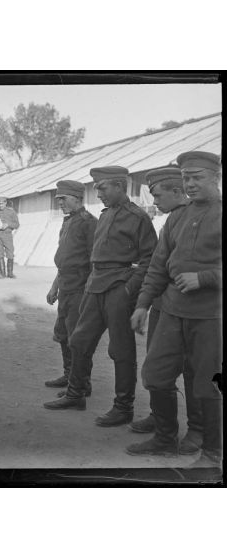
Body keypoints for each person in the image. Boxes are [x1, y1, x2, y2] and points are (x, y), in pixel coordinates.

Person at [127, 152, 222, 467]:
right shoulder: (176, 218)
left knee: (208, 385)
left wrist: (205, 277)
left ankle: (211, 454)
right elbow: (157, 265)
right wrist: (142, 304)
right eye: (186, 178)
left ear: (215, 177)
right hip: (172, 311)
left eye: (197, 177)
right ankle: (165, 439)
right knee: (155, 374)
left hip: (212, 317)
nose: (191, 184)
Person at [44, 166, 157, 427]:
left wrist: (130, 288)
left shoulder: (137, 217)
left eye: (103, 188)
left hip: (118, 287)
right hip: (95, 286)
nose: (99, 193)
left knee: (121, 350)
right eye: (96, 188)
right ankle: (76, 394)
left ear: (120, 186)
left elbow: (150, 258)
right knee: (79, 341)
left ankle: (123, 407)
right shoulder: (106, 215)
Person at [44, 181, 97, 390]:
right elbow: (64, 260)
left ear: (77, 198)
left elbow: (95, 260)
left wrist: (88, 292)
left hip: (80, 287)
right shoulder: (67, 222)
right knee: (63, 333)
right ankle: (69, 376)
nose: (60, 203)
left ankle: (82, 383)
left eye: (63, 199)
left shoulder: (89, 222)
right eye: (58, 200)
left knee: (78, 338)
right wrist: (54, 287)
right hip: (65, 285)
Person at [0, 196, 20, 279]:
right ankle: (2, 273)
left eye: (2, 203)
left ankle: (10, 273)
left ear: (5, 203)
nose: (0, 205)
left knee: (10, 254)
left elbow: (17, 224)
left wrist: (8, 224)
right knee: (0, 254)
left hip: (7, 235)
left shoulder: (11, 212)